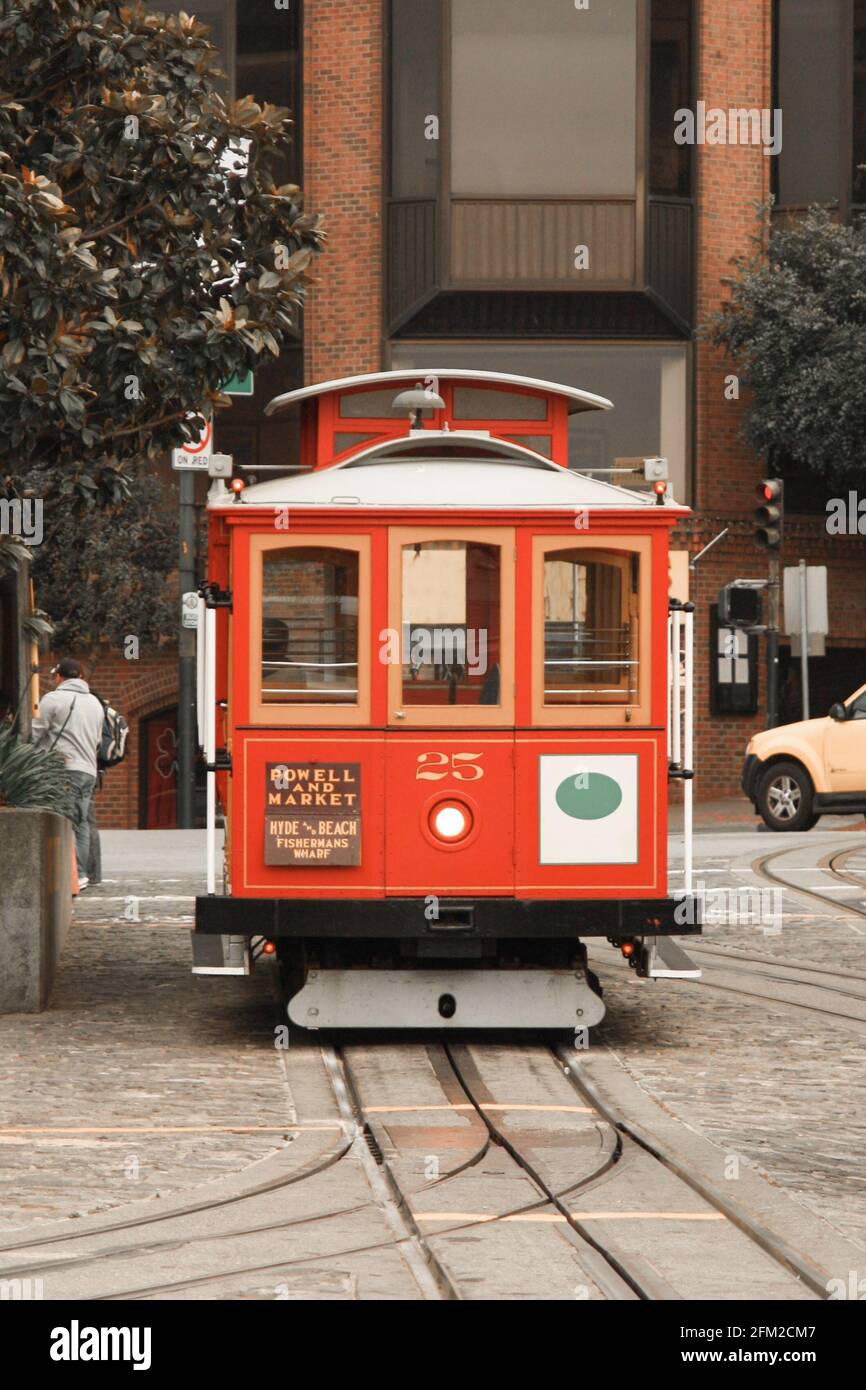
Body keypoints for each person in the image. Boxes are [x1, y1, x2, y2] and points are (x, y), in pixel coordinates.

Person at [32, 658, 104, 891]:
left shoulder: (53, 699)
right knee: (81, 822)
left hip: (63, 768)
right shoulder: (95, 703)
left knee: (59, 821)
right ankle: (81, 874)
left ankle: (62, 874)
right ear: (81, 677)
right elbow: (98, 740)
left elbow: (35, 733)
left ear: (59, 677)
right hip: (88, 770)